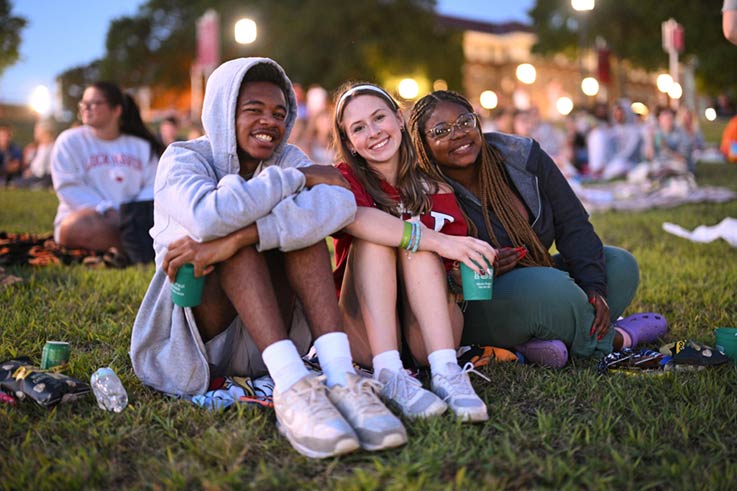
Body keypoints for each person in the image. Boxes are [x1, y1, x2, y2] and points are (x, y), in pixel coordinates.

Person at [130, 58, 405, 459]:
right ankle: (293, 390)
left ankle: (341, 378)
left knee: (297, 232)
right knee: (235, 232)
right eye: (253, 110)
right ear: (224, 112)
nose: (269, 122)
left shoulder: (287, 154)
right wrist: (296, 179)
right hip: (199, 338)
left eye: (279, 113)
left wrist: (247, 232)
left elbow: (341, 203)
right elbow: (211, 216)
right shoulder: (183, 157)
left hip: (270, 339)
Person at [409, 91, 667, 367]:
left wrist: (594, 287)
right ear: (423, 144)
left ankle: (534, 343)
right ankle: (618, 339)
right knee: (555, 290)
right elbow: (422, 278)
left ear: (478, 123)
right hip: (472, 304)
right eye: (441, 130)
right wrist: (466, 275)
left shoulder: (522, 157)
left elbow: (573, 224)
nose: (458, 134)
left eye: (464, 122)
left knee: (619, 264)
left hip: (539, 277)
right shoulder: (423, 191)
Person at [331, 82, 496, 422]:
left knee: (418, 242)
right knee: (388, 236)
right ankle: (390, 373)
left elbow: (454, 275)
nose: (373, 132)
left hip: (427, 334)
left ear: (399, 117)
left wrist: (459, 261)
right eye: (359, 128)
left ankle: (447, 372)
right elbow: (355, 218)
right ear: (349, 142)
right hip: (364, 333)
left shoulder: (434, 188)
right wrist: (438, 240)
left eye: (379, 118)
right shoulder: (345, 179)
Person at [50, 82, 164, 263]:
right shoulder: (69, 141)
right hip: (96, 219)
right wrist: (106, 209)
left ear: (116, 110)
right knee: (72, 228)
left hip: (136, 220)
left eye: (94, 103)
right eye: (83, 103)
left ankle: (135, 248)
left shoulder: (141, 146)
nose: (85, 108)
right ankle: (145, 250)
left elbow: (154, 186)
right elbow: (68, 186)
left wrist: (131, 214)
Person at [13, 120, 56, 189]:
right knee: (17, 181)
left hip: (47, 177)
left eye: (37, 131)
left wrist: (31, 172)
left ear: (44, 132)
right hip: (40, 176)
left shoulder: (49, 147)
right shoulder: (42, 146)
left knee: (18, 183)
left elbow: (41, 170)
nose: (35, 133)